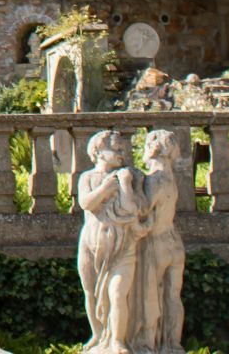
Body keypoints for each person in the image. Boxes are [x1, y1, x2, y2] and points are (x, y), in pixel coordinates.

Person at [77, 129, 143, 354]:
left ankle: (117, 341)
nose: (121, 153)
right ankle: (97, 335)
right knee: (91, 292)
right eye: (115, 148)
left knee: (117, 293)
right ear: (98, 152)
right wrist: (106, 188)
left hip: (122, 245)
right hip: (91, 245)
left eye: (122, 149)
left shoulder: (125, 177)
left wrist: (124, 185)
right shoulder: (87, 177)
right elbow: (86, 203)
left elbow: (131, 209)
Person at [135, 130, 186, 354]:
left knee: (151, 296)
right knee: (173, 297)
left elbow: (143, 209)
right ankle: (172, 345)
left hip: (156, 242)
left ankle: (149, 345)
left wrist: (132, 185)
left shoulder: (154, 179)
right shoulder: (171, 177)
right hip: (174, 241)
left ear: (153, 149)